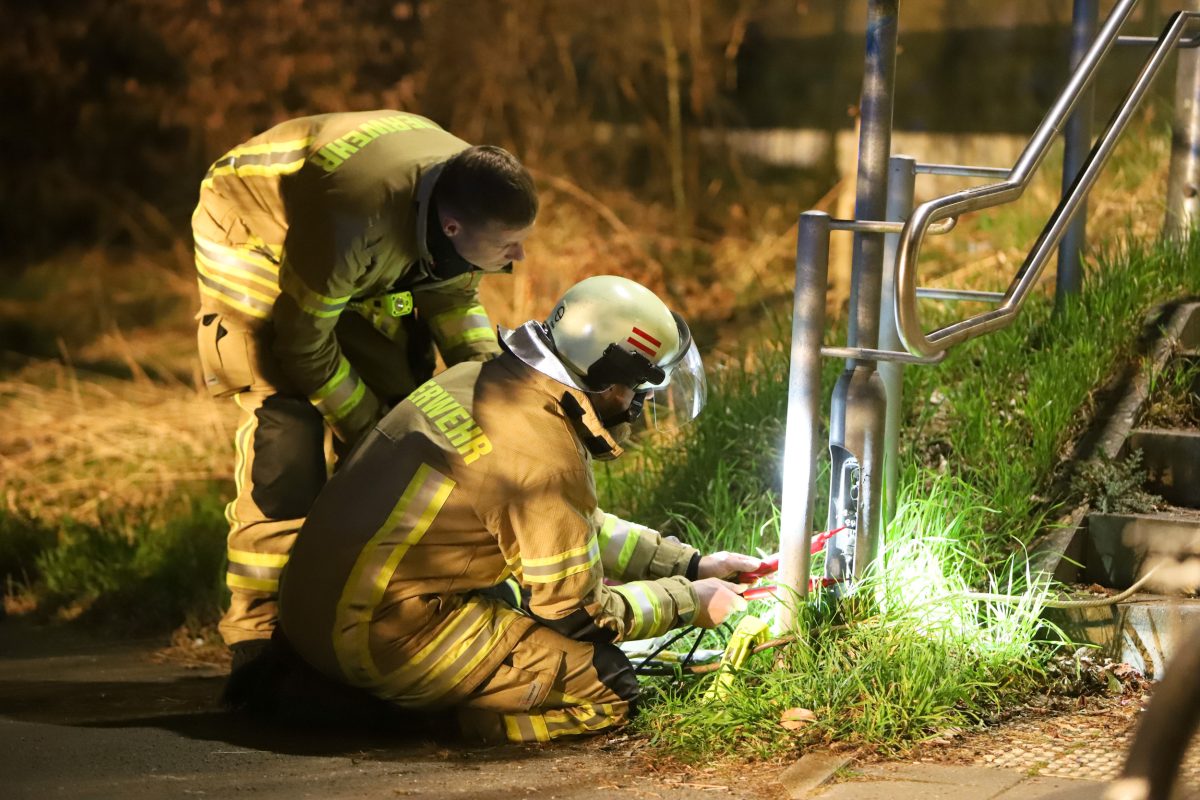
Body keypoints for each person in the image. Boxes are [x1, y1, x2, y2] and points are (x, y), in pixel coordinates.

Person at [276, 275, 759, 743]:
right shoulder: (542, 453)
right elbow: (583, 614)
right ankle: (450, 723)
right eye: (641, 389)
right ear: (612, 381)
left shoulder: (483, 378)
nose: (637, 406)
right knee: (609, 686)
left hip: (315, 611)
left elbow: (566, 529)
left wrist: (692, 566)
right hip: (373, 639)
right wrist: (690, 602)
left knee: (517, 599)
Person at [192, 110, 538, 670]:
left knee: (405, 397)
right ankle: (258, 636)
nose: (520, 256)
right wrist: (371, 430)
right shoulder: (352, 218)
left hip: (352, 237)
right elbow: (303, 344)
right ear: (452, 228)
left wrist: (499, 407)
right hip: (253, 232)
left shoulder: (468, 191)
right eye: (510, 244)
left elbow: (451, 302)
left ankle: (364, 605)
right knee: (287, 435)